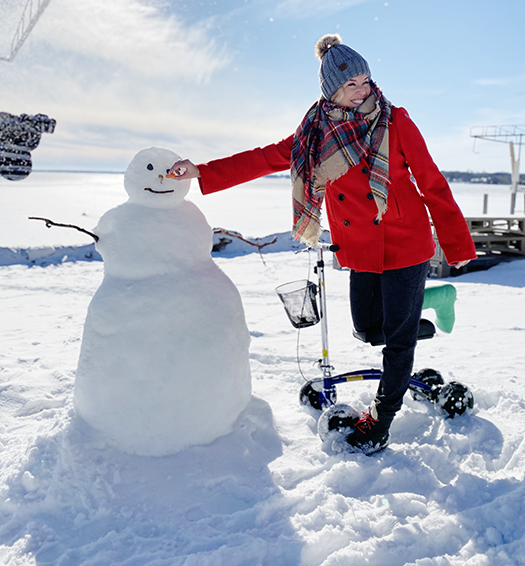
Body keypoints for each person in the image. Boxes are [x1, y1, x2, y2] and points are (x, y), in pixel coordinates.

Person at [168, 34, 476, 454]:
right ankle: (431, 298)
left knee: (398, 341)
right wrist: (201, 172)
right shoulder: (316, 132)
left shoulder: (396, 121)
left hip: (406, 242)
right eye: (352, 84)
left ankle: (381, 420)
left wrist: (456, 245)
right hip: (363, 248)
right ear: (331, 89)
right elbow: (264, 158)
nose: (364, 90)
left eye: (367, 80)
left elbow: (433, 184)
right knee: (369, 330)